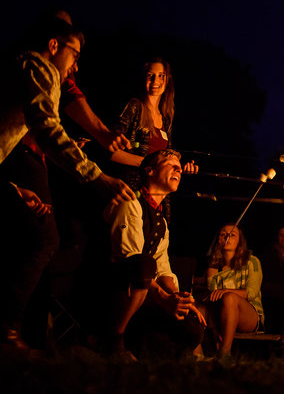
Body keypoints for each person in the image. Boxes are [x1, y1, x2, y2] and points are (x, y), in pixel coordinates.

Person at [0, 15, 135, 357]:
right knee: (42, 237)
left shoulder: (20, 68)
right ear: (54, 45)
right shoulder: (38, 65)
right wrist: (96, 176)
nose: (75, 65)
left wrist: (13, 189)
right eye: (74, 54)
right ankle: (5, 333)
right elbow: (47, 128)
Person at [102, 148, 204, 358]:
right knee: (143, 264)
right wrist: (165, 299)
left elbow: (163, 267)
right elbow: (132, 261)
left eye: (179, 166)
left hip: (144, 292)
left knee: (192, 327)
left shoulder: (162, 222)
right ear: (149, 171)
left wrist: (179, 298)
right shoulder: (130, 203)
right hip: (113, 289)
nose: (178, 168)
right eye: (169, 162)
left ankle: (156, 357)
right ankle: (113, 341)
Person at [110, 58, 197, 173]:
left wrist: (180, 166)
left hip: (154, 188)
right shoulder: (134, 106)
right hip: (129, 187)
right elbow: (110, 151)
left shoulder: (165, 119)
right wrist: (147, 163)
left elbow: (166, 158)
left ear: (168, 80)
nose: (155, 80)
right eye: (150, 75)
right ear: (143, 78)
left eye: (161, 75)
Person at [200, 224, 264, 356]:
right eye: (223, 234)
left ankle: (224, 354)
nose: (227, 236)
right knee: (198, 307)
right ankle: (197, 357)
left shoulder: (252, 261)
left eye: (232, 234)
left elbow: (252, 292)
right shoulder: (213, 270)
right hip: (220, 315)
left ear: (240, 241)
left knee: (229, 298)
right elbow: (212, 299)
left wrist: (227, 292)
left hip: (249, 315)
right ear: (219, 240)